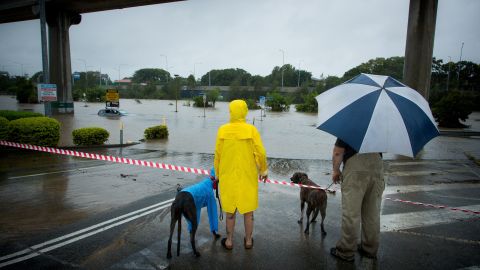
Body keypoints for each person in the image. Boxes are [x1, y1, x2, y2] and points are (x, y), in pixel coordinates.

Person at [214, 99, 268, 250]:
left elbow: (217, 154)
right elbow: (260, 152)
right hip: (247, 176)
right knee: (248, 211)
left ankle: (229, 241)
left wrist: (217, 173)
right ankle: (249, 241)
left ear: (231, 111)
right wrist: (263, 169)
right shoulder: (251, 130)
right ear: (245, 111)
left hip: (228, 176)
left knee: (230, 211)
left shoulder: (222, 130)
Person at [330, 138, 384, 262]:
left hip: (355, 171)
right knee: (372, 214)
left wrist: (336, 170)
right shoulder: (380, 124)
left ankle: (346, 251)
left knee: (351, 213)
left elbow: (338, 152)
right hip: (377, 169)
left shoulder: (350, 122)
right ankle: (369, 250)